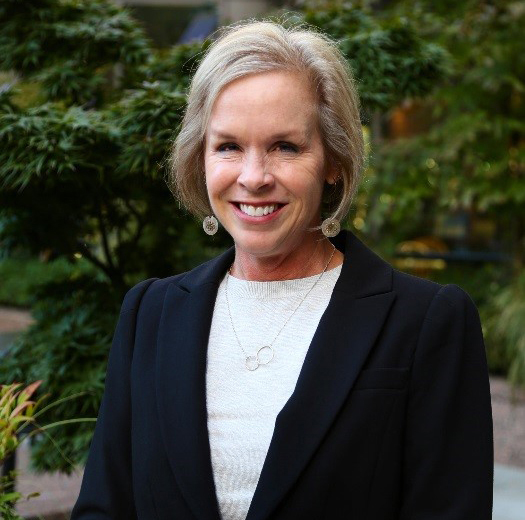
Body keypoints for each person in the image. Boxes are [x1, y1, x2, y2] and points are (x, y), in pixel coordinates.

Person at [71, 20, 493, 520]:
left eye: (285, 147)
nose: (253, 177)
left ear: (333, 161)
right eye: (228, 146)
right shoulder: (150, 314)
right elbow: (104, 508)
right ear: (200, 156)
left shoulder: (427, 322)